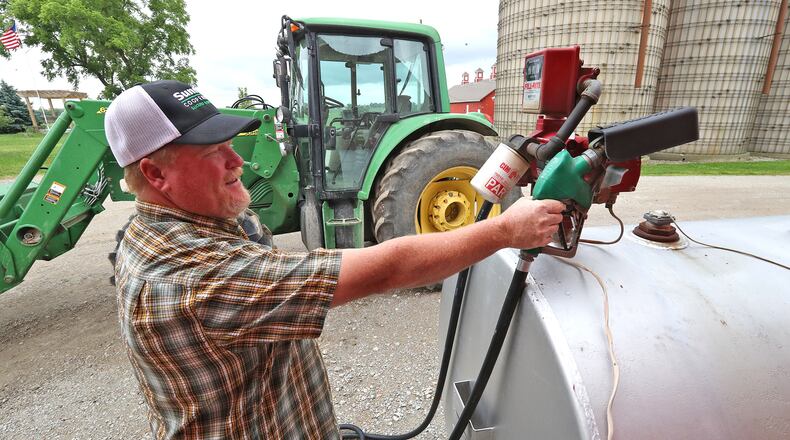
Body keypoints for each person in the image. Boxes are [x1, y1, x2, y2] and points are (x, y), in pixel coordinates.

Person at [105, 80, 564, 439]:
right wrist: (505, 229)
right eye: (212, 153)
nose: (236, 161)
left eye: (229, 144)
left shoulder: (184, 223)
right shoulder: (186, 279)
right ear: (155, 173)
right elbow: (387, 268)